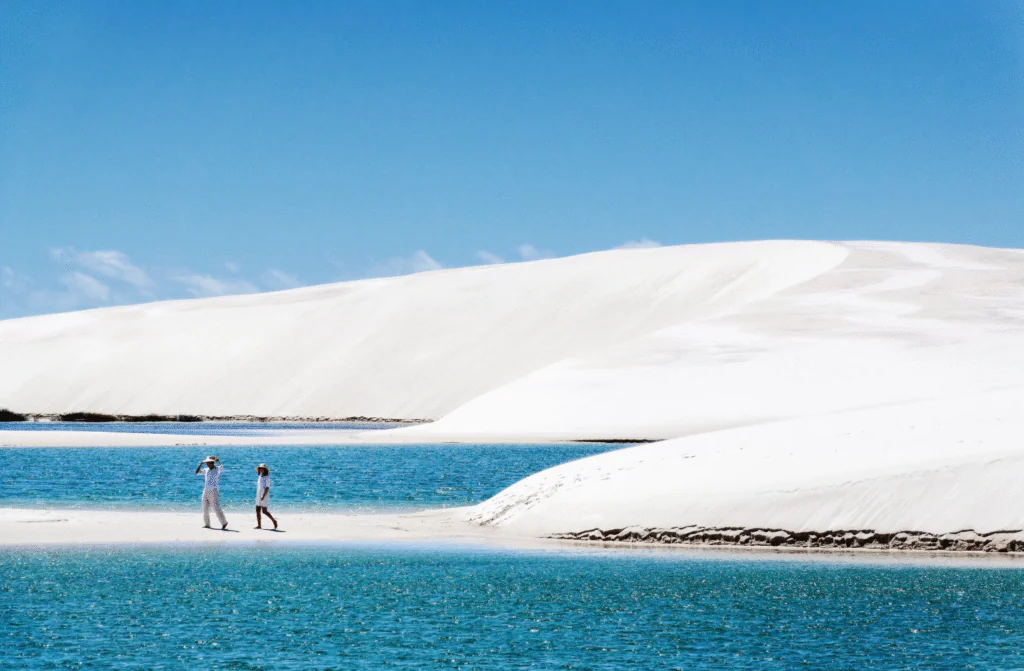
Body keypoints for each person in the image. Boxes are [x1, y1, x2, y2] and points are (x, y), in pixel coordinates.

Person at [195, 456, 228, 530]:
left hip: (213, 490)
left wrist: (218, 461)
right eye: (207, 463)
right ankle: (207, 524)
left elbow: (221, 467)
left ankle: (224, 522)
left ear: (212, 463)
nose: (207, 464)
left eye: (209, 463)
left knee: (216, 507)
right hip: (206, 489)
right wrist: (200, 464)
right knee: (205, 507)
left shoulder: (217, 469)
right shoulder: (206, 470)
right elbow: (197, 472)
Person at [255, 463, 278, 530]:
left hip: (264, 495)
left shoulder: (267, 478)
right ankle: (259, 525)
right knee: (257, 510)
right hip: (258, 495)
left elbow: (267, 488)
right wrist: (259, 495)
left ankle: (274, 521)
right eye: (260, 469)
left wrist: (263, 496)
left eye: (262, 469)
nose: (261, 470)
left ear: (265, 470)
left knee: (264, 511)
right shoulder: (260, 477)